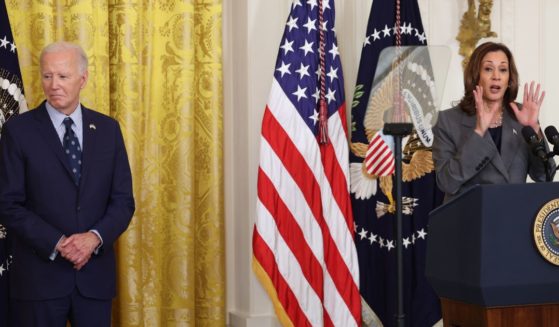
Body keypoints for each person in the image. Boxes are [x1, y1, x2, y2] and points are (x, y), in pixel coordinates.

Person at [0, 41, 135, 326]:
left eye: (63, 76)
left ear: (82, 79)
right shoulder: (18, 131)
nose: (54, 85)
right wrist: (58, 242)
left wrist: (93, 238)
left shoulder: (109, 130)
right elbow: (7, 203)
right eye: (47, 76)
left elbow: (123, 201)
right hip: (38, 281)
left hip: (93, 279)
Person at [433, 42, 555, 201]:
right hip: (471, 220)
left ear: (509, 79)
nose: (496, 76)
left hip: (513, 219)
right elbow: (447, 182)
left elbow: (544, 177)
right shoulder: (447, 121)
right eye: (488, 69)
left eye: (503, 70)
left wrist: (534, 129)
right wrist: (478, 132)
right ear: (476, 75)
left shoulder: (521, 116)